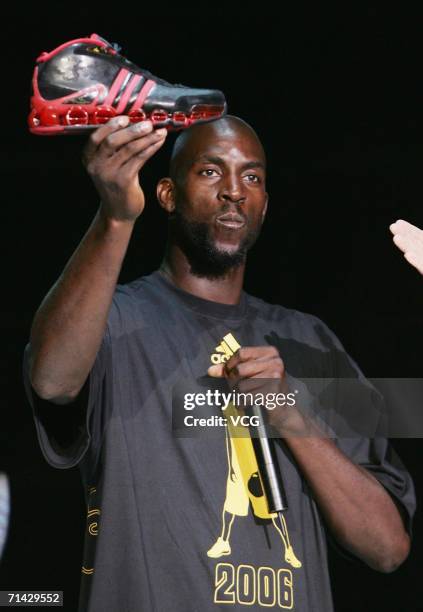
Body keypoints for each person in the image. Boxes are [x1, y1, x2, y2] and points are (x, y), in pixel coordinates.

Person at [24, 115, 415, 612]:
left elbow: (387, 547)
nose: (234, 191)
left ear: (265, 206)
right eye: (211, 172)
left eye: (251, 178)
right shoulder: (114, 320)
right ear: (167, 195)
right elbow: (53, 381)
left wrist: (288, 411)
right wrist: (116, 217)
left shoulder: (310, 340)